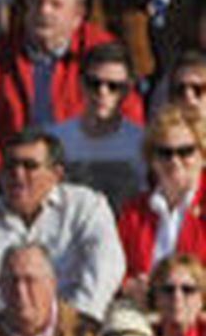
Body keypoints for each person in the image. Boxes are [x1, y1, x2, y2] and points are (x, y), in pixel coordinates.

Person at [0, 0, 140, 248]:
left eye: (56, 5)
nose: (44, 11)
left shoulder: (101, 50)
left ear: (77, 16)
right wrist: (4, 166)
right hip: (7, 173)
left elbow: (128, 122)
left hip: (76, 174)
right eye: (37, 2)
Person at [0, 127, 125, 331]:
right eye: (10, 166)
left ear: (56, 174)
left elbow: (106, 270)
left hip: (72, 332)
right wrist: (2, 332)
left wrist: (70, 326)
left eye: (29, 166)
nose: (17, 174)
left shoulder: (86, 207)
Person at [49, 42, 147, 214]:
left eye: (114, 86)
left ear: (128, 89)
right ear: (80, 83)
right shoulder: (55, 139)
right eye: (94, 83)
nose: (103, 92)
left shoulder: (142, 141)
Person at [115, 106, 206, 290]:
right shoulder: (134, 211)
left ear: (203, 156)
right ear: (152, 159)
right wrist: (130, 286)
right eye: (165, 153)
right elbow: (116, 269)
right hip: (142, 309)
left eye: (185, 151)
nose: (174, 160)